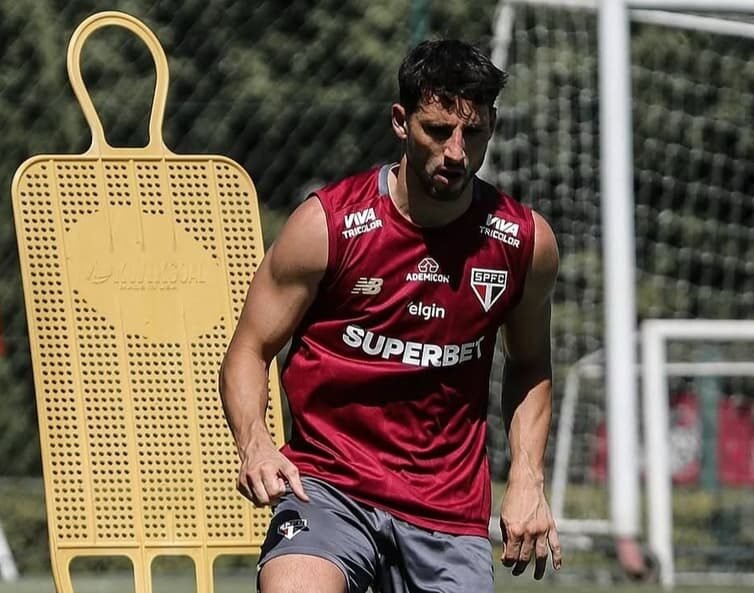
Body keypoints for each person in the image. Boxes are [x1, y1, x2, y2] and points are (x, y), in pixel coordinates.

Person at [218, 39, 561, 593]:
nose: (455, 152)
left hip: (446, 512)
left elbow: (529, 366)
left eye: (472, 134)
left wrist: (527, 476)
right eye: (437, 130)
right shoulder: (326, 226)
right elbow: (249, 351)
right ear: (401, 122)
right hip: (329, 488)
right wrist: (255, 441)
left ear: (491, 127)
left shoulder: (524, 242)